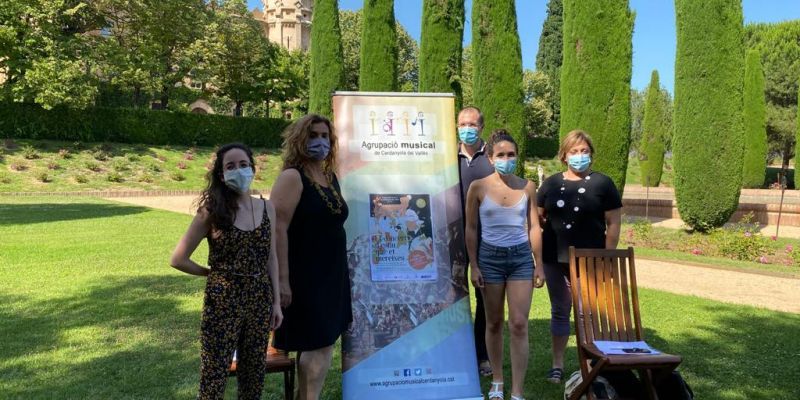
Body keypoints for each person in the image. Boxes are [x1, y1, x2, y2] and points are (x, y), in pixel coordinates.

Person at [170, 143, 282, 399]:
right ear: (221, 175)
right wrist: (210, 274)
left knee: (253, 378)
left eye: (243, 165)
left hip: (259, 301)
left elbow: (271, 257)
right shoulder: (211, 211)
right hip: (222, 302)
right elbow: (178, 259)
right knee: (214, 377)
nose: (238, 170)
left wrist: (276, 303)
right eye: (230, 166)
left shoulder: (267, 209)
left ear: (253, 169)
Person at [271, 114, 351, 400]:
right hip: (305, 276)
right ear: (300, 140)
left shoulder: (329, 177)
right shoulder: (292, 177)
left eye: (325, 136)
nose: (320, 142)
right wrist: (282, 281)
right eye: (313, 136)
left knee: (323, 343)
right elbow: (277, 228)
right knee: (318, 344)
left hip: (332, 274)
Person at [536, 130, 622, 384]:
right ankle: (557, 365)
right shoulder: (550, 184)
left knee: (587, 314)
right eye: (574, 151)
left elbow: (613, 223)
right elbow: (537, 218)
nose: (579, 156)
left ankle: (588, 363)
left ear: (591, 155)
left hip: (589, 260)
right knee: (560, 311)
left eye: (584, 151)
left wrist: (606, 255)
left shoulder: (604, 184)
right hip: (554, 259)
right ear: (564, 156)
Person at [465, 129, 546, 400]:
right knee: (494, 322)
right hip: (490, 259)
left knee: (519, 324)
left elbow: (534, 226)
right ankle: (497, 381)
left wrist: (539, 264)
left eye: (511, 154)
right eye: (500, 154)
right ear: (490, 157)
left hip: (521, 259)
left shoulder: (528, 186)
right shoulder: (478, 187)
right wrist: (474, 265)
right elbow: (471, 229)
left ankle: (517, 391)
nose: (506, 159)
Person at [457, 106, 495, 377]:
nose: (467, 128)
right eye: (462, 123)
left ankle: (483, 356)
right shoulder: (447, 155)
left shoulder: (492, 157)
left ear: (481, 127)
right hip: (452, 236)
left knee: (485, 298)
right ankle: (457, 353)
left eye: (472, 124)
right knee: (453, 297)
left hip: (486, 237)